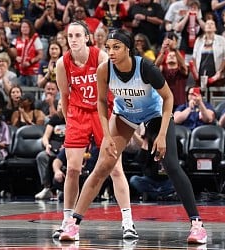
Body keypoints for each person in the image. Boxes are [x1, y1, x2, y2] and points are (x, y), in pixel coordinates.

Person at [59, 29, 207, 245]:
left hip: (155, 114)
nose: (111, 52)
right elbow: (101, 103)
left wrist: (162, 134)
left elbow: (168, 98)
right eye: (108, 47)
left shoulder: (146, 67)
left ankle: (197, 225)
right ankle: (73, 224)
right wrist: (107, 135)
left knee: (172, 166)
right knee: (102, 166)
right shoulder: (104, 70)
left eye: (116, 47)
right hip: (124, 115)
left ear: (127, 49)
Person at [55, 21, 138, 240]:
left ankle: (128, 222)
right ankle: (67, 221)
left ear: (87, 37)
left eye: (77, 35)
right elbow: (64, 95)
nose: (73, 39)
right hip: (78, 113)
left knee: (115, 168)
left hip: (103, 112)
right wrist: (69, 120)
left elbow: (115, 88)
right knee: (72, 169)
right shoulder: (62, 64)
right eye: (70, 35)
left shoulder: (100, 57)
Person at [35, 101, 66, 199]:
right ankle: (46, 188)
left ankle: (62, 189)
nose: (60, 107)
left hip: (67, 149)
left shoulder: (72, 118)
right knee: (41, 156)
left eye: (63, 104)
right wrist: (47, 145)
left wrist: (66, 146)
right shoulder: (54, 119)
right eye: (59, 105)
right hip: (53, 148)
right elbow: (45, 137)